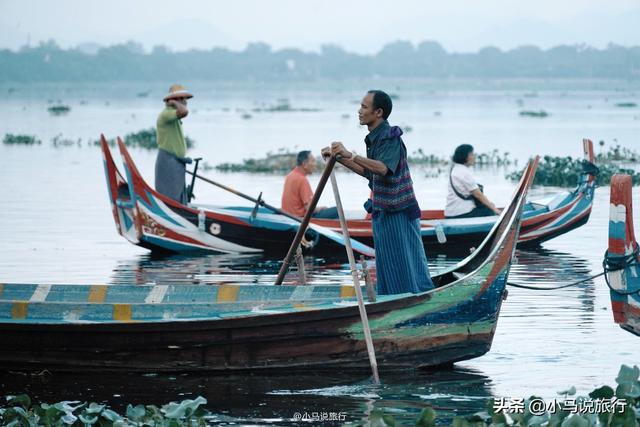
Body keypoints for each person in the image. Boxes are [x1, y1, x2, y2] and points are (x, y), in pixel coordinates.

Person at [322, 90, 434, 295]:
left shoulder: (390, 137)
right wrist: (339, 158)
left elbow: (383, 168)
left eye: (364, 107)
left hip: (398, 210)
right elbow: (370, 173)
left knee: (404, 258)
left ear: (378, 112)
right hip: (383, 209)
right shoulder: (374, 138)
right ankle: (392, 296)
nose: (359, 111)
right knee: (387, 259)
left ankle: (412, 295)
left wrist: (350, 154)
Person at [155, 84, 193, 204]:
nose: (185, 102)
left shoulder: (173, 116)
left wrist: (176, 103)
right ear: (175, 100)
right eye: (182, 99)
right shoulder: (166, 114)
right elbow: (184, 111)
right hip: (168, 162)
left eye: (185, 99)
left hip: (176, 163)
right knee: (170, 200)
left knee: (179, 199)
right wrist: (174, 102)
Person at [444, 144, 500, 218]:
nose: (474, 157)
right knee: (489, 211)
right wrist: (495, 209)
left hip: (451, 212)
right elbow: (478, 194)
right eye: (471, 155)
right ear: (464, 156)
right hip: (462, 213)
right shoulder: (464, 172)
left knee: (487, 207)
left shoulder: (455, 169)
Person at [281, 150, 338, 219]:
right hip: (300, 218)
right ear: (305, 164)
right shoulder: (302, 179)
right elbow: (309, 208)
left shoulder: (289, 176)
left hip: (288, 216)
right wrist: (321, 208)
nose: (315, 164)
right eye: (313, 161)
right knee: (336, 210)